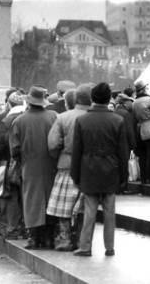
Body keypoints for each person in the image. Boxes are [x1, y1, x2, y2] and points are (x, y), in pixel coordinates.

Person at [71, 82, 128, 257]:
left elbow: (77, 151)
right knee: (110, 211)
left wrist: (76, 175)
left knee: (89, 211)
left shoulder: (81, 120)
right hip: (111, 169)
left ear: (92, 98)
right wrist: (123, 176)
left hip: (88, 170)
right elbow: (123, 152)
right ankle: (109, 247)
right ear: (109, 98)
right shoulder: (118, 120)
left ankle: (85, 246)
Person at [10, 86, 57, 249]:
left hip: (28, 167)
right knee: (50, 199)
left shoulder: (19, 121)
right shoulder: (53, 117)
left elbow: (14, 149)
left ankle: (34, 237)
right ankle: (50, 237)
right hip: (51, 166)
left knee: (31, 200)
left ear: (29, 102)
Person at [47, 84, 92, 251]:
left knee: (63, 208)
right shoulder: (93, 116)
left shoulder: (63, 118)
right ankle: (82, 241)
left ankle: (64, 240)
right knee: (84, 208)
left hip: (66, 165)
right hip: (89, 168)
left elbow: (52, 144)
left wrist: (58, 157)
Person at [0, 92, 27, 239]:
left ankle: (12, 228)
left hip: (9, 164)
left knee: (11, 197)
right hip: (28, 164)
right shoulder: (26, 117)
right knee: (24, 196)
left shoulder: (5, 120)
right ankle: (25, 228)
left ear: (9, 104)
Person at [132, 81, 150, 184]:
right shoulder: (149, 100)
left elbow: (134, 117)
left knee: (142, 156)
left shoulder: (134, 102)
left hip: (139, 129)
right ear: (144, 89)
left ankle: (144, 178)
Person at [114, 93, 137, 194]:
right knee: (123, 166)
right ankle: (123, 187)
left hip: (114, 144)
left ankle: (116, 187)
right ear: (124, 103)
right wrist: (133, 144)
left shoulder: (114, 112)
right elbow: (129, 131)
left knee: (116, 166)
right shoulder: (126, 114)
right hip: (124, 145)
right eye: (129, 102)